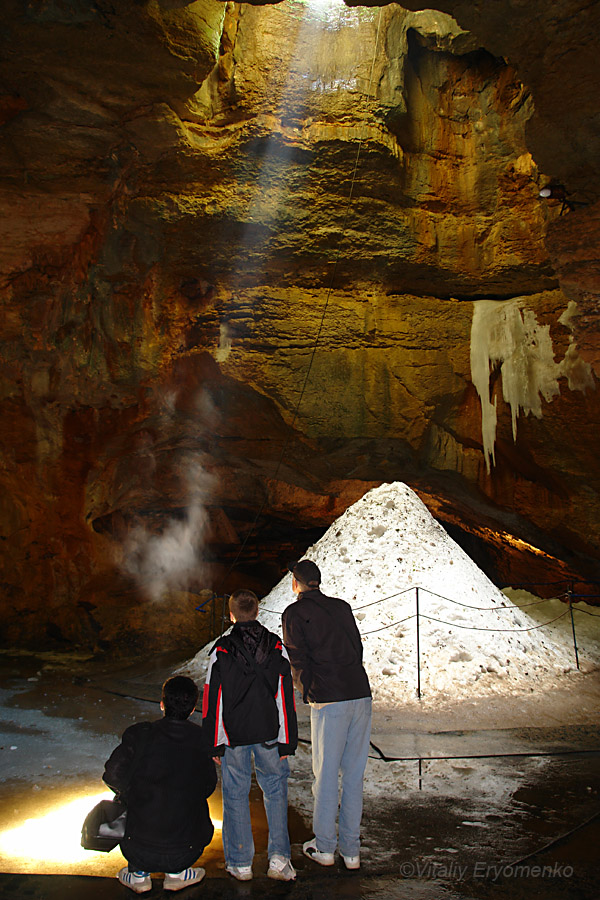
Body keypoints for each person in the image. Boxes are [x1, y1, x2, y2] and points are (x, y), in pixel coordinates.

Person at [202, 588, 298, 882]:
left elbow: (212, 699)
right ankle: (280, 860)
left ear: (231, 615)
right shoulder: (275, 646)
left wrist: (214, 743)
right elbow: (285, 695)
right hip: (269, 732)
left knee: (234, 794)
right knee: (275, 792)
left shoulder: (222, 650)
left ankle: (241, 862)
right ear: (257, 611)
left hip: (234, 735)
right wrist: (288, 739)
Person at [281, 559, 371, 871]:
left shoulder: (294, 613)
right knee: (354, 775)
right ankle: (351, 851)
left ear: (296, 584)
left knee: (326, 775)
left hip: (329, 701)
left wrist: (308, 691)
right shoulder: (342, 607)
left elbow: (297, 657)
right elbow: (356, 648)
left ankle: (324, 846)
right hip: (359, 693)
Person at [103, 675, 217, 893]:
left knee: (142, 809)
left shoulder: (140, 734)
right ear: (193, 708)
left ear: (162, 703)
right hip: (187, 849)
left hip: (136, 846)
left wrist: (134, 794)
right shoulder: (202, 739)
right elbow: (208, 786)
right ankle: (178, 873)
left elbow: (112, 775)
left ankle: (138, 875)